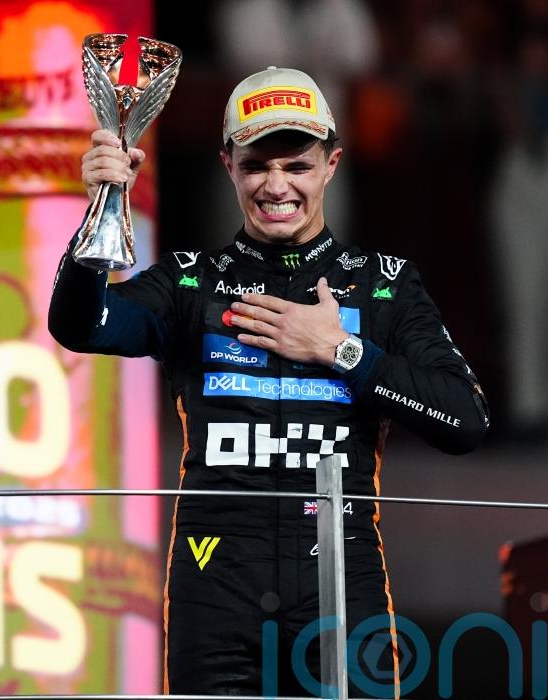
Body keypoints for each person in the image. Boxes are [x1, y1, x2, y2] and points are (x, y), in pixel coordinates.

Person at [49, 66, 490, 697]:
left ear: (332, 165)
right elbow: (80, 325)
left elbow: (464, 421)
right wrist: (101, 208)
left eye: (298, 166)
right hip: (214, 586)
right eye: (257, 165)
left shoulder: (383, 284)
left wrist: (340, 350)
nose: (276, 185)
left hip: (341, 581)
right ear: (228, 165)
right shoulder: (189, 282)